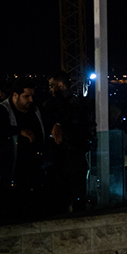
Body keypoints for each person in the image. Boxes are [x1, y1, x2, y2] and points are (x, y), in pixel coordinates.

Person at [0, 77, 58, 218]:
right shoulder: (2, 110)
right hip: (11, 169)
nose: (30, 100)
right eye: (26, 96)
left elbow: (52, 117)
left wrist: (57, 125)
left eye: (32, 96)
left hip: (36, 167)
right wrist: (19, 131)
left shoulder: (37, 109)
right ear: (15, 95)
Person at [44, 71, 93, 212]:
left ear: (60, 85)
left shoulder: (67, 106)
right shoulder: (75, 104)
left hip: (68, 156)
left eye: (52, 86)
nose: (50, 89)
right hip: (71, 156)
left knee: (68, 194)